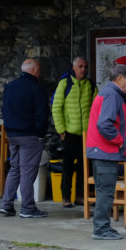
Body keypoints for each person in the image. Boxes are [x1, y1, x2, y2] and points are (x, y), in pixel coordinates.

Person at [86, 61, 126, 240]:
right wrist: (119, 141)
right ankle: (101, 229)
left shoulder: (108, 93)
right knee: (106, 192)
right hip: (105, 151)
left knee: (103, 191)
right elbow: (104, 124)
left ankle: (102, 227)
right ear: (120, 79)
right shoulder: (112, 95)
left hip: (100, 151)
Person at [0, 57, 50, 219]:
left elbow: (4, 110)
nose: (39, 73)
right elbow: (42, 114)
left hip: (12, 134)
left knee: (15, 169)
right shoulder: (36, 89)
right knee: (28, 171)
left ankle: (6, 205)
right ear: (33, 70)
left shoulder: (10, 87)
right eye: (39, 70)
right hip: (30, 136)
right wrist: (41, 134)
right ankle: (27, 207)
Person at [51, 56, 94, 207]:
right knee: (67, 166)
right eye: (80, 66)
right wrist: (61, 130)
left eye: (85, 67)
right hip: (69, 132)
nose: (84, 69)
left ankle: (81, 196)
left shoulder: (90, 85)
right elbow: (56, 107)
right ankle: (66, 197)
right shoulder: (65, 83)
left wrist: (93, 130)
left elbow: (96, 108)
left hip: (86, 134)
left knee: (84, 166)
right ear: (74, 68)